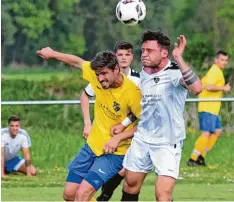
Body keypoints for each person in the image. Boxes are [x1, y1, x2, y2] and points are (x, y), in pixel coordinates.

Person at [36, 47, 142, 201]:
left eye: (104, 73)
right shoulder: (96, 74)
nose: (100, 78)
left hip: (114, 153)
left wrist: (118, 138)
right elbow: (77, 62)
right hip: (92, 146)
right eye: (98, 74)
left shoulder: (133, 93)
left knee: (83, 194)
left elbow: (147, 125)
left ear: (117, 69)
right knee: (70, 194)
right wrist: (52, 54)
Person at [120, 30, 202, 201]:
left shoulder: (174, 72)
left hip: (168, 141)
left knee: (162, 194)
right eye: (143, 50)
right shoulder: (142, 74)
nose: (144, 54)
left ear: (164, 52)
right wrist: (123, 124)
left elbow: (197, 89)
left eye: (150, 51)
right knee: (130, 185)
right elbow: (142, 106)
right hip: (142, 139)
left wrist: (179, 58)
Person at [80, 41, 140, 201]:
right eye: (120, 54)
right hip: (106, 139)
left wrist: (124, 124)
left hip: (132, 137)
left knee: (130, 178)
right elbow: (85, 94)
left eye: (127, 54)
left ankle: (105, 195)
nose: (124, 58)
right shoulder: (103, 76)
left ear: (132, 57)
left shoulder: (139, 81)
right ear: (115, 57)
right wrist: (88, 123)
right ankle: (105, 195)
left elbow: (141, 113)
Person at [187, 50, 231, 167]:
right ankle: (193, 159)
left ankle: (201, 157)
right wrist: (224, 88)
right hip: (207, 106)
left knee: (218, 131)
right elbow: (209, 86)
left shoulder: (218, 71)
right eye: (222, 60)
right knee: (206, 133)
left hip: (213, 108)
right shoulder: (214, 71)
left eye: (226, 60)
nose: (224, 62)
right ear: (216, 60)